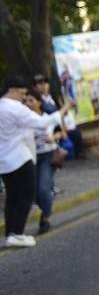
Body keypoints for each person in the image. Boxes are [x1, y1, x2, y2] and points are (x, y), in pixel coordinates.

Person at [1, 76, 68, 247]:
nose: (23, 98)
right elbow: (42, 123)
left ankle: (10, 234)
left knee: (12, 198)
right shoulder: (15, 108)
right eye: (22, 93)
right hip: (21, 158)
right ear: (12, 90)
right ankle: (18, 233)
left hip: (4, 161)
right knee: (26, 195)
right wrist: (62, 110)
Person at [25, 91, 63, 235]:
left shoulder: (48, 117)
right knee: (34, 192)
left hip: (48, 156)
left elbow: (61, 132)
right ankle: (47, 205)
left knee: (43, 188)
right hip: (31, 158)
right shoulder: (24, 119)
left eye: (31, 100)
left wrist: (54, 137)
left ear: (39, 102)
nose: (27, 104)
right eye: (25, 101)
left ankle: (45, 218)